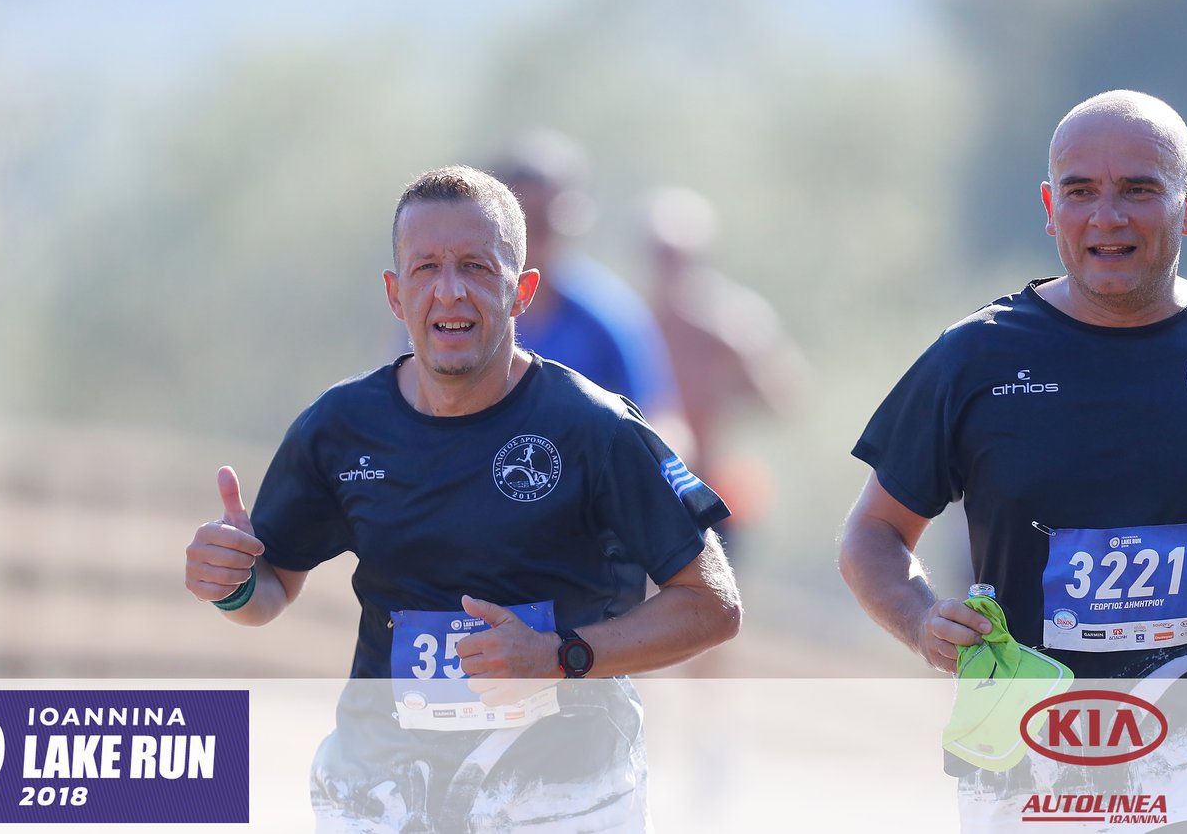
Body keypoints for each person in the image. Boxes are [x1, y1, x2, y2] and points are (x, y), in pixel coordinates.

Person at [185, 165, 741, 830]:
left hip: (559, 796)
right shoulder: (339, 426)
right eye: (426, 268)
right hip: (382, 791)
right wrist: (233, 584)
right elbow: (271, 587)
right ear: (395, 294)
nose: (450, 291)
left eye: (477, 267)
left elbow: (714, 605)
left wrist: (559, 655)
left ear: (522, 291)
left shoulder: (597, 430)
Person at [840, 90, 1187, 831]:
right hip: (1032, 758)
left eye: (1139, 189)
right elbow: (873, 534)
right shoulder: (975, 356)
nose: (1107, 216)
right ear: (1049, 207)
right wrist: (923, 620)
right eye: (1080, 190)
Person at [492, 130, 694, 456]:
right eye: (523, 222)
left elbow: (662, 422)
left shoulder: (610, 315)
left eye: (545, 222)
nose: (533, 240)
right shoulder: (463, 307)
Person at [641, 185, 808, 557]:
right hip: (646, 492)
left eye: (679, 257)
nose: (670, 267)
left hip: (714, 490)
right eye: (661, 255)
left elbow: (784, 398)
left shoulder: (732, 318)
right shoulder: (631, 320)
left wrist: (739, 353)